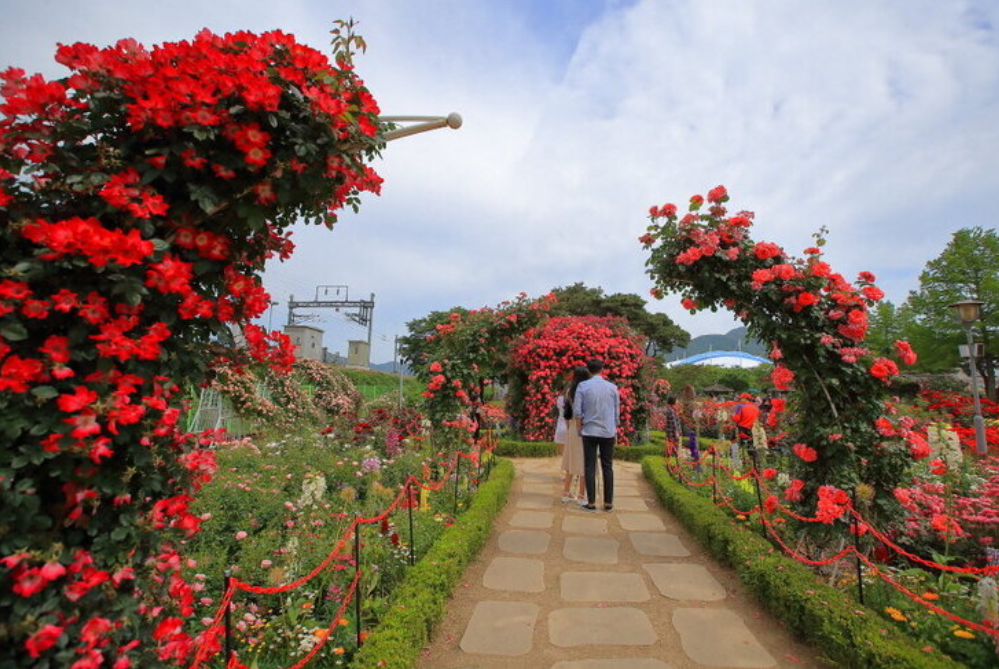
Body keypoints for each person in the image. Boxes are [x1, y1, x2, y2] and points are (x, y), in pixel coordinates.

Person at [573, 358, 620, 512]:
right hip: (608, 431)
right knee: (608, 466)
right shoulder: (612, 388)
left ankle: (591, 503)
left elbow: (578, 411)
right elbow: (617, 413)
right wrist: (615, 429)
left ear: (588, 370)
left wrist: (579, 428)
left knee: (589, 466)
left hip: (590, 431)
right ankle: (608, 503)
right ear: (603, 369)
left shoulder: (583, 386)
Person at [559, 365, 589, 502]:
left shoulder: (570, 391)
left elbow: (566, 413)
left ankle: (566, 492)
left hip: (571, 427)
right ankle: (582, 495)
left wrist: (569, 427)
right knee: (584, 461)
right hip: (583, 427)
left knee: (570, 459)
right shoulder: (586, 391)